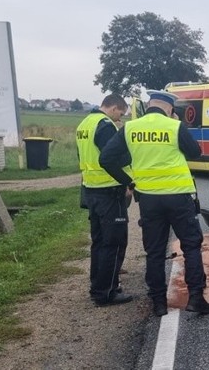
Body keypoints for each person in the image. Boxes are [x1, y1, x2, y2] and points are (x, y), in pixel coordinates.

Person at [99, 90, 209, 317]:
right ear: (170, 108)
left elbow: (106, 158)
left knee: (154, 251)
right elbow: (196, 152)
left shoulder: (130, 128)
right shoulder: (174, 126)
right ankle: (196, 299)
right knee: (191, 246)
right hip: (179, 196)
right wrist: (179, 127)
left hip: (149, 199)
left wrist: (128, 181)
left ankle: (159, 303)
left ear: (149, 105)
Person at [76, 94, 133, 307]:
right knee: (114, 243)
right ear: (114, 108)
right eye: (120, 113)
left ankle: (97, 286)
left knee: (99, 242)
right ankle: (108, 291)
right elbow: (113, 157)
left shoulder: (84, 124)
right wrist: (128, 181)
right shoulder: (104, 125)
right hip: (109, 191)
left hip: (91, 189)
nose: (119, 119)